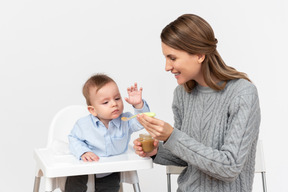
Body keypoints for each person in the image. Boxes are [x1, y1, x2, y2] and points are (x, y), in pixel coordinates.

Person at [133, 14, 261, 192]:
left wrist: (172, 136)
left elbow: (230, 167)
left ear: (200, 55)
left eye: (172, 58)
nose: (167, 67)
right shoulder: (182, 94)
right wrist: (156, 151)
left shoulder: (242, 93)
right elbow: (188, 156)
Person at [65, 73, 150, 192]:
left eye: (117, 98)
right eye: (106, 102)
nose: (114, 104)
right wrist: (83, 152)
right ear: (92, 110)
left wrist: (138, 105)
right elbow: (73, 138)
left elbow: (142, 122)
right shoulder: (83, 125)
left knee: (110, 186)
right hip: (84, 168)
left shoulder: (126, 121)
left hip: (110, 171)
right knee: (74, 183)